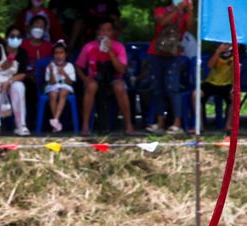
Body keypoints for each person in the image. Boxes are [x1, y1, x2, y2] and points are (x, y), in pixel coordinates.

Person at [75, 18, 134, 135]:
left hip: (114, 77)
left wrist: (110, 52)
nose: (105, 33)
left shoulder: (119, 47)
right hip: (95, 77)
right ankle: (85, 125)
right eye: (102, 30)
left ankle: (128, 124)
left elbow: (122, 69)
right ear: (97, 32)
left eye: (108, 30)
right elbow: (78, 66)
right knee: (91, 86)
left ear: (113, 33)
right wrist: (84, 78)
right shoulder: (89, 47)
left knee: (120, 87)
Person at [144, 0, 192, 135]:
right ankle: (160, 123)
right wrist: (177, 10)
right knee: (157, 88)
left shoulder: (185, 13)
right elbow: (162, 22)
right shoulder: (160, 10)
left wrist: (190, 11)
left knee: (173, 88)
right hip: (156, 53)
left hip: (174, 54)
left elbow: (190, 27)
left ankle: (177, 124)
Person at [0, 26, 31, 136]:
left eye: (18, 37)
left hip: (12, 80)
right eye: (12, 36)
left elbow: (22, 74)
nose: (15, 39)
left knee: (19, 88)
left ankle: (21, 126)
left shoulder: (22, 53)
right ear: (6, 38)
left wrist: (9, 82)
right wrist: (1, 67)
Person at [44, 39, 76, 131]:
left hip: (65, 86)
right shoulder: (50, 66)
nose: (58, 56)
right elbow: (52, 83)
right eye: (56, 53)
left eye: (61, 53)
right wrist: (50, 71)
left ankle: (55, 120)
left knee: (63, 92)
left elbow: (71, 82)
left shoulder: (70, 66)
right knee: (53, 94)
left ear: (65, 54)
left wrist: (64, 74)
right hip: (53, 86)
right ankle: (56, 122)